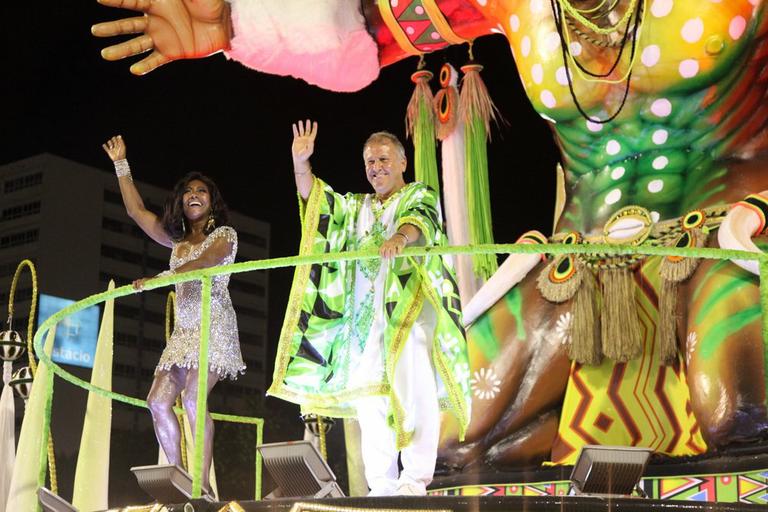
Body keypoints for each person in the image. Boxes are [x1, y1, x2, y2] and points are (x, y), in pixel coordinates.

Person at [267, 120, 470, 496]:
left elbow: (421, 220)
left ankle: (413, 483)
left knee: (414, 394)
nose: (376, 167)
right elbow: (320, 206)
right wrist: (301, 164)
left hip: (407, 318)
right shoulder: (356, 208)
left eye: (383, 158)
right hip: (363, 327)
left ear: (403, 162)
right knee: (369, 400)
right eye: (369, 162)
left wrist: (400, 236)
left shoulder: (417, 195)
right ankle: (382, 488)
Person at [102, 135, 245, 491]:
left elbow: (202, 264)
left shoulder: (225, 235)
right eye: (188, 191)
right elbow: (136, 212)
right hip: (183, 333)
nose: (194, 194)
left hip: (214, 327)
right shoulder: (176, 240)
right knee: (157, 401)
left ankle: (202, 483)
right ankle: (180, 477)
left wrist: (161, 277)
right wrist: (121, 163)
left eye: (202, 191)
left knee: (194, 397)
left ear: (211, 202)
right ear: (181, 201)